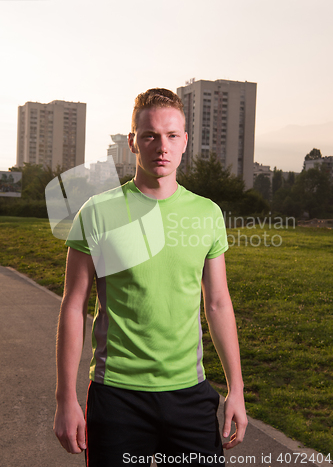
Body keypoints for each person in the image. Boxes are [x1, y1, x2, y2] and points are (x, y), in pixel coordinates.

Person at [53, 88, 248, 466]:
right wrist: (65, 398)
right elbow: (74, 306)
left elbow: (218, 302)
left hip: (190, 395)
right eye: (150, 136)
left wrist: (237, 390)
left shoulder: (207, 214)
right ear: (132, 142)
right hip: (117, 397)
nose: (162, 146)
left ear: (185, 141)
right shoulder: (97, 213)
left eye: (172, 135)